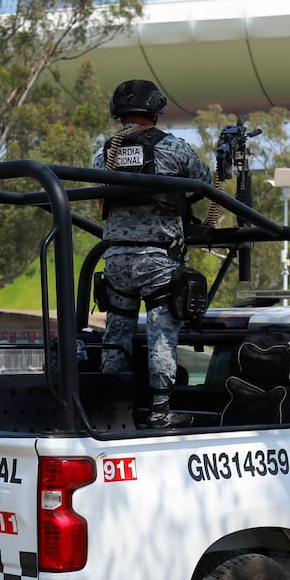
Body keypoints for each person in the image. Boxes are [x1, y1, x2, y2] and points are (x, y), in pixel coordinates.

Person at [94, 79, 212, 429]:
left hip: (115, 259)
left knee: (116, 334)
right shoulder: (172, 148)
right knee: (162, 333)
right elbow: (204, 179)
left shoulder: (105, 153)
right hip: (157, 260)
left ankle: (111, 410)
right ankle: (160, 412)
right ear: (156, 111)